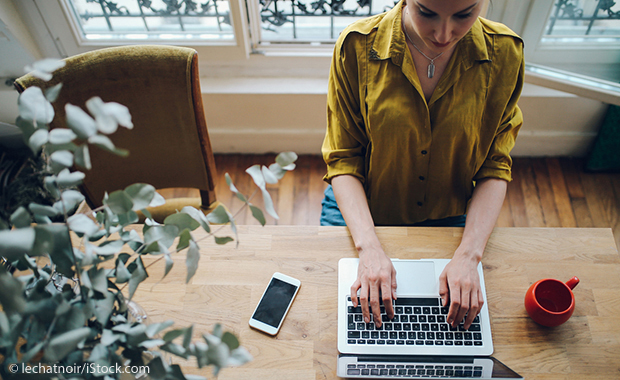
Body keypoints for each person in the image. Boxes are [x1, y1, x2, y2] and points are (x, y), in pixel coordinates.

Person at [321, 0, 524, 331]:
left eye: (464, 14)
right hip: (363, 211)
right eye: (427, 13)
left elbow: (494, 164)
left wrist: (469, 256)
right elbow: (343, 159)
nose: (444, 34)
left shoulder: (506, 54)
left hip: (452, 214)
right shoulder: (356, 46)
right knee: (335, 323)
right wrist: (369, 248)